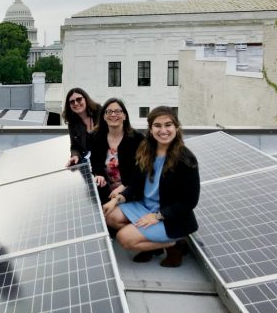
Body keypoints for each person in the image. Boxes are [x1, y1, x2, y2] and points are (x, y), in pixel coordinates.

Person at [104, 106, 200, 267]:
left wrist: (157, 216)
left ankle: (174, 245)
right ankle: (150, 245)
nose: (163, 130)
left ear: (176, 127)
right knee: (111, 216)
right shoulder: (147, 150)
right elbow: (136, 183)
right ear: (151, 129)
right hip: (145, 207)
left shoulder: (185, 159)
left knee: (123, 238)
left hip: (169, 217)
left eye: (168, 125)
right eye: (157, 125)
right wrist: (117, 199)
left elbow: (189, 201)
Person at [90, 98, 144, 205]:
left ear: (124, 116)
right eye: (109, 111)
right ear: (104, 117)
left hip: (130, 192)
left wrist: (125, 186)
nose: (113, 114)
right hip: (104, 192)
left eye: (118, 111)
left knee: (110, 217)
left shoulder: (137, 139)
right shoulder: (96, 137)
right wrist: (98, 174)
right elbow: (94, 161)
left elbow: (141, 170)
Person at [62, 87, 101, 166]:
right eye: (72, 102)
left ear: (85, 99)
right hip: (89, 161)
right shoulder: (72, 123)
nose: (76, 103)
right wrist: (75, 155)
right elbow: (74, 146)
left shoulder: (100, 112)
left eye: (79, 99)